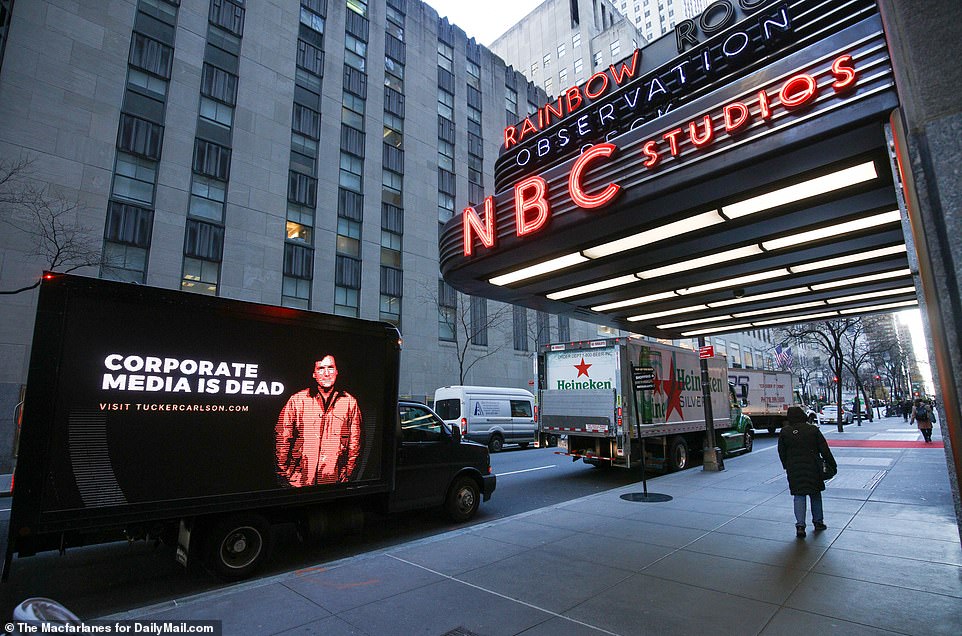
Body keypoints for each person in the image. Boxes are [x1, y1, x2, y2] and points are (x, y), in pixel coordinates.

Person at [275, 355, 362, 487]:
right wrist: (285, 474)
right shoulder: (297, 401)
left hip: (334, 482)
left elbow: (355, 444)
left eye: (330, 368)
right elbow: (283, 438)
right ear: (314, 373)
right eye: (321, 368)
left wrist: (347, 476)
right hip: (299, 482)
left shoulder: (350, 403)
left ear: (337, 371)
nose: (326, 373)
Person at [778, 405, 837, 538]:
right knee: (815, 494)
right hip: (813, 467)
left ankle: (800, 526)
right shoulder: (813, 430)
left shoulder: (785, 432)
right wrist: (832, 464)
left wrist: (786, 465)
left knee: (799, 496)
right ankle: (818, 522)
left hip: (794, 468)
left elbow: (781, 451)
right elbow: (824, 449)